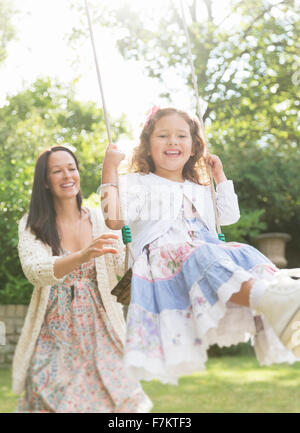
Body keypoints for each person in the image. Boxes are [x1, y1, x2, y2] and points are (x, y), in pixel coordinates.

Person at [101, 107, 300, 384]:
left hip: (203, 253)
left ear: (194, 146)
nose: (172, 141)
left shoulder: (200, 186)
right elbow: (114, 219)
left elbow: (229, 216)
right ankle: (274, 300)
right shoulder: (138, 183)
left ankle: (281, 295)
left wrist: (219, 177)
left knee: (244, 252)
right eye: (163, 135)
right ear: (147, 146)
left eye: (181, 135)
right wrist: (109, 168)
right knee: (202, 253)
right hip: (162, 259)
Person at [13, 145, 152, 412]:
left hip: (103, 329)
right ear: (44, 181)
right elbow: (35, 271)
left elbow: (119, 270)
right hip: (55, 333)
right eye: (57, 171)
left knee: (117, 398)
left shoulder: (102, 220)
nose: (67, 176)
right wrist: (83, 255)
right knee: (54, 399)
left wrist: (133, 251)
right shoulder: (32, 224)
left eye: (71, 168)